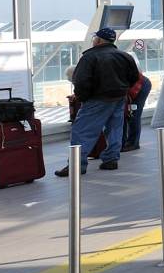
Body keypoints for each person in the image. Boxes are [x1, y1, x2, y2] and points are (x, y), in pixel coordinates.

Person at [55, 26, 141, 177]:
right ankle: (111, 160)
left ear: (99, 40)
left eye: (95, 38)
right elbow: (134, 77)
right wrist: (122, 89)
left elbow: (81, 81)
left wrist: (81, 97)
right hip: (119, 98)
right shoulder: (124, 56)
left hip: (97, 99)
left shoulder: (90, 57)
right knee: (115, 128)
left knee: (81, 130)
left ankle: (77, 165)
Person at [120, 71, 153, 152]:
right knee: (123, 114)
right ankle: (123, 143)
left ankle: (133, 144)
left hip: (141, 86)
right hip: (131, 87)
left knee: (133, 115)